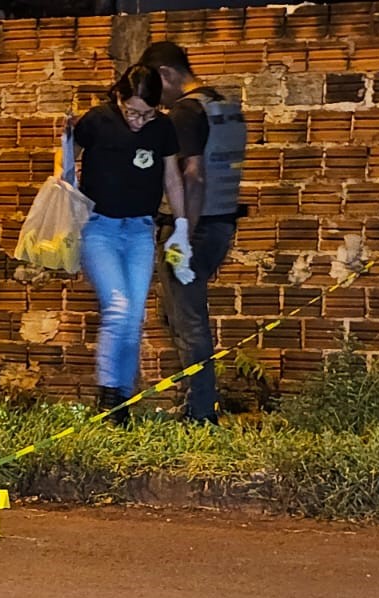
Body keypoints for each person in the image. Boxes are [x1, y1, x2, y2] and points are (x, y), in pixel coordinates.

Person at [71, 64, 191, 421]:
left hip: (140, 229)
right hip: (99, 227)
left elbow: (172, 177)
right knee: (119, 308)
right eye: (132, 112)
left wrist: (181, 225)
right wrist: (65, 185)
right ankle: (109, 394)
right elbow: (67, 155)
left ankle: (120, 402)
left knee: (134, 316)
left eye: (147, 114)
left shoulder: (163, 129)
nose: (139, 121)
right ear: (119, 98)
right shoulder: (97, 120)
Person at [141, 40, 248, 425]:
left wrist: (183, 233)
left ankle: (200, 416)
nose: (156, 99)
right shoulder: (221, 105)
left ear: (166, 75)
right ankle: (194, 401)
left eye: (156, 87)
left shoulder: (185, 113)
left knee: (188, 322)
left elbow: (194, 175)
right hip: (221, 224)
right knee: (177, 316)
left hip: (191, 228)